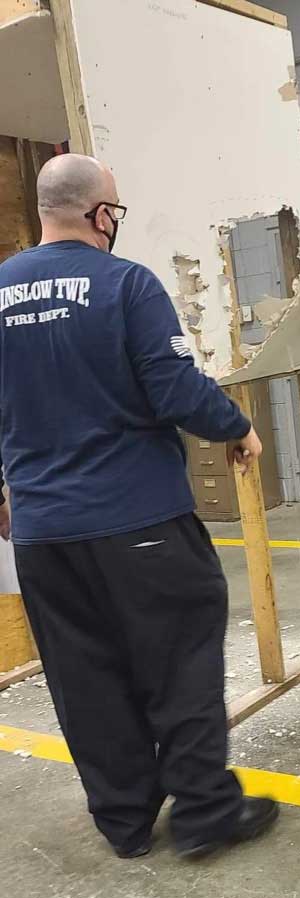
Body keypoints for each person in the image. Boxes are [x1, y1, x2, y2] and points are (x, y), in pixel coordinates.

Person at [0, 153, 278, 858]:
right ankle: (205, 811)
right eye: (113, 210)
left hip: (42, 535)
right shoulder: (125, 283)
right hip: (139, 522)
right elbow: (174, 386)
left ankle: (123, 819)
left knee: (83, 674)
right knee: (179, 658)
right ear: (100, 214)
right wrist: (237, 427)